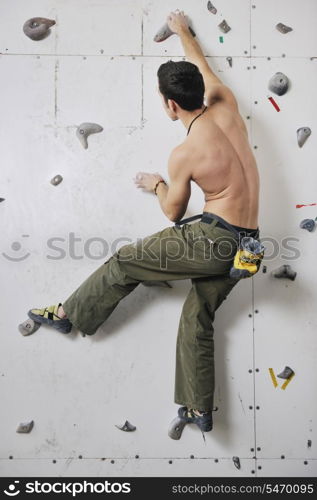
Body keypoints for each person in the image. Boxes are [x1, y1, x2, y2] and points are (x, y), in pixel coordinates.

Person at [28, 11, 260, 434]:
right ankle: (197, 408)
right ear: (199, 91)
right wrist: (182, 32)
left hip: (214, 241)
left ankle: (67, 313)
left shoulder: (186, 151)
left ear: (171, 104)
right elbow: (202, 67)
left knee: (124, 262)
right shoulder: (224, 101)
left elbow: (173, 212)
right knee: (198, 315)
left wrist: (157, 184)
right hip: (249, 246)